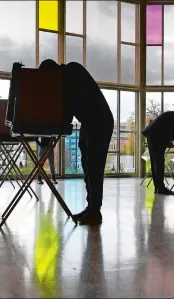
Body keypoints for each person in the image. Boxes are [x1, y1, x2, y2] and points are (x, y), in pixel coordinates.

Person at [39, 59, 114, 225]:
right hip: (90, 122)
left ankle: (95, 211)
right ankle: (91, 208)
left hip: (100, 121)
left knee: (94, 167)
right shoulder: (68, 74)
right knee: (87, 165)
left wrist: (51, 129)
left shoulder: (71, 72)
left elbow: (67, 110)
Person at [142, 111, 174, 195]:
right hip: (155, 134)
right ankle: (160, 188)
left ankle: (158, 187)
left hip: (152, 132)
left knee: (155, 162)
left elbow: (169, 131)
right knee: (159, 161)